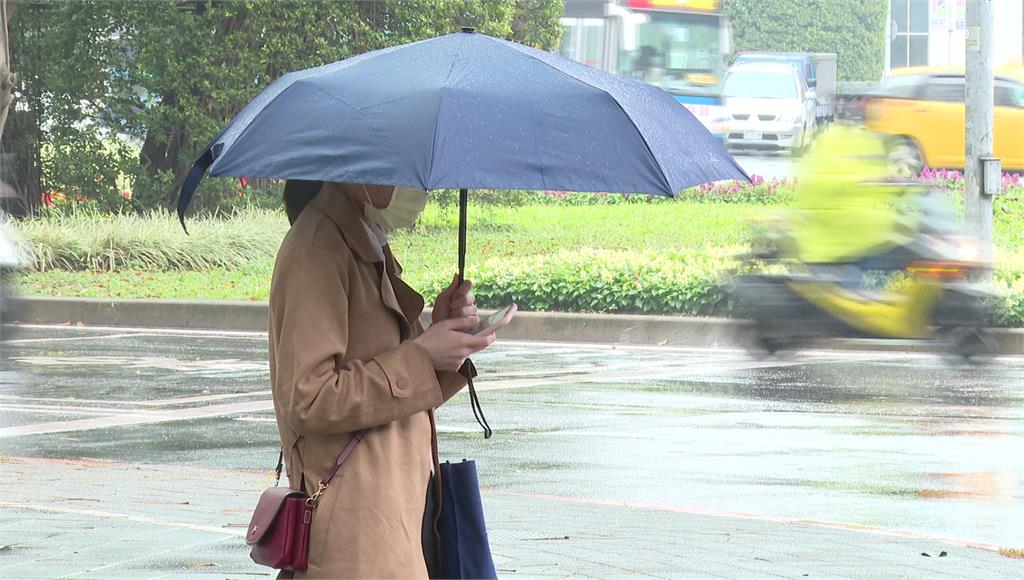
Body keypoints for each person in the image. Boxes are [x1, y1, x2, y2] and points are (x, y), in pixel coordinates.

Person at [269, 180, 504, 578]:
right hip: (355, 536)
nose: (414, 186)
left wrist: (442, 337)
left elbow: (392, 386)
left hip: (396, 515)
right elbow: (308, 398)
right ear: (358, 167)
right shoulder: (317, 249)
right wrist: (422, 356)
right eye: (401, 172)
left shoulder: (363, 240)